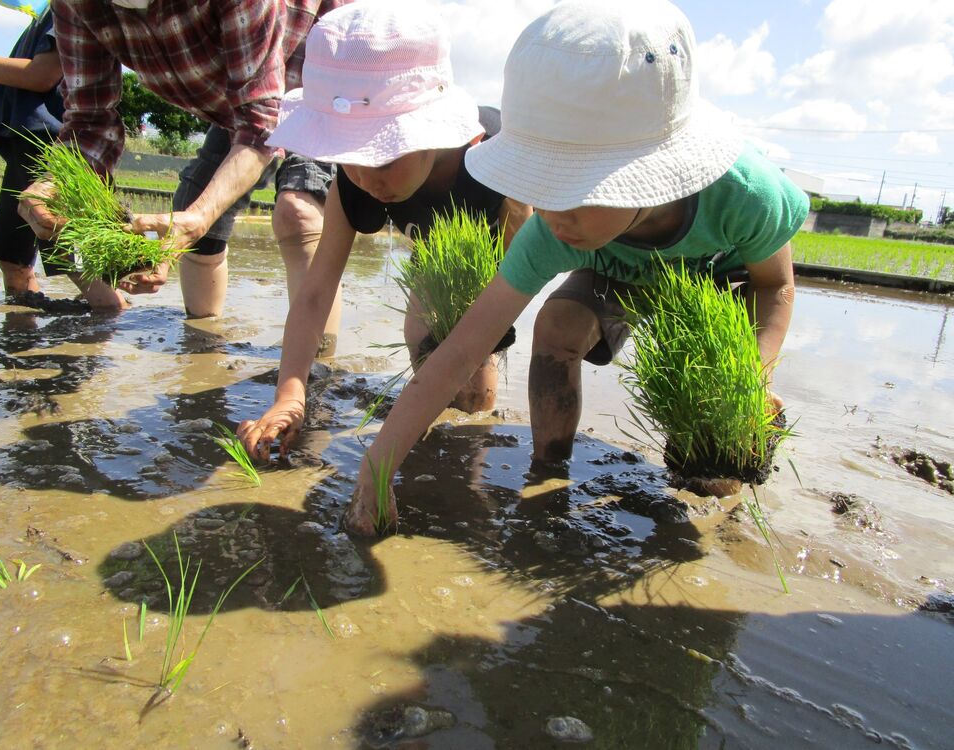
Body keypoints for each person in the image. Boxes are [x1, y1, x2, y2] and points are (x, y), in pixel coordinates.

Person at [343, 0, 810, 535]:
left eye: (573, 186)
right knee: (558, 327)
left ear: (650, 168)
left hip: (718, 284)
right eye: (539, 185)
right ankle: (547, 471)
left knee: (711, 451)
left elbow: (775, 286)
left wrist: (749, 376)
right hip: (616, 270)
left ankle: (716, 519)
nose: (549, 211)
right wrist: (377, 464)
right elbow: (461, 349)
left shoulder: (744, 194)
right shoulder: (559, 225)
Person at [236, 1, 531, 461]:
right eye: (348, 155)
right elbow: (314, 295)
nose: (367, 177)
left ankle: (471, 445)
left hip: (492, 254)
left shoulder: (497, 163)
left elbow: (518, 270)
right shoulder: (354, 184)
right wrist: (290, 393)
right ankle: (429, 430)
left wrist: (481, 341)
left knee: (473, 380)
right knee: (421, 335)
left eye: (384, 156)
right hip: (432, 246)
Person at [17, 0, 348, 317]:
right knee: (192, 206)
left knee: (298, 213)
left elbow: (258, 126)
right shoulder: (76, 5)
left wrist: (199, 217)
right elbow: (90, 122)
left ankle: (316, 369)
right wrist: (56, 181)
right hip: (237, 97)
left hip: (317, 74)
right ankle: (202, 346)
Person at [0, 7, 125, 308]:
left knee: (77, 264)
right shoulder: (45, 14)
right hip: (26, 144)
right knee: (13, 260)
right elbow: (16, 90)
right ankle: (21, 339)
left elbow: (41, 76)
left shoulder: (70, 8)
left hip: (50, 147)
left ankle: (114, 329)